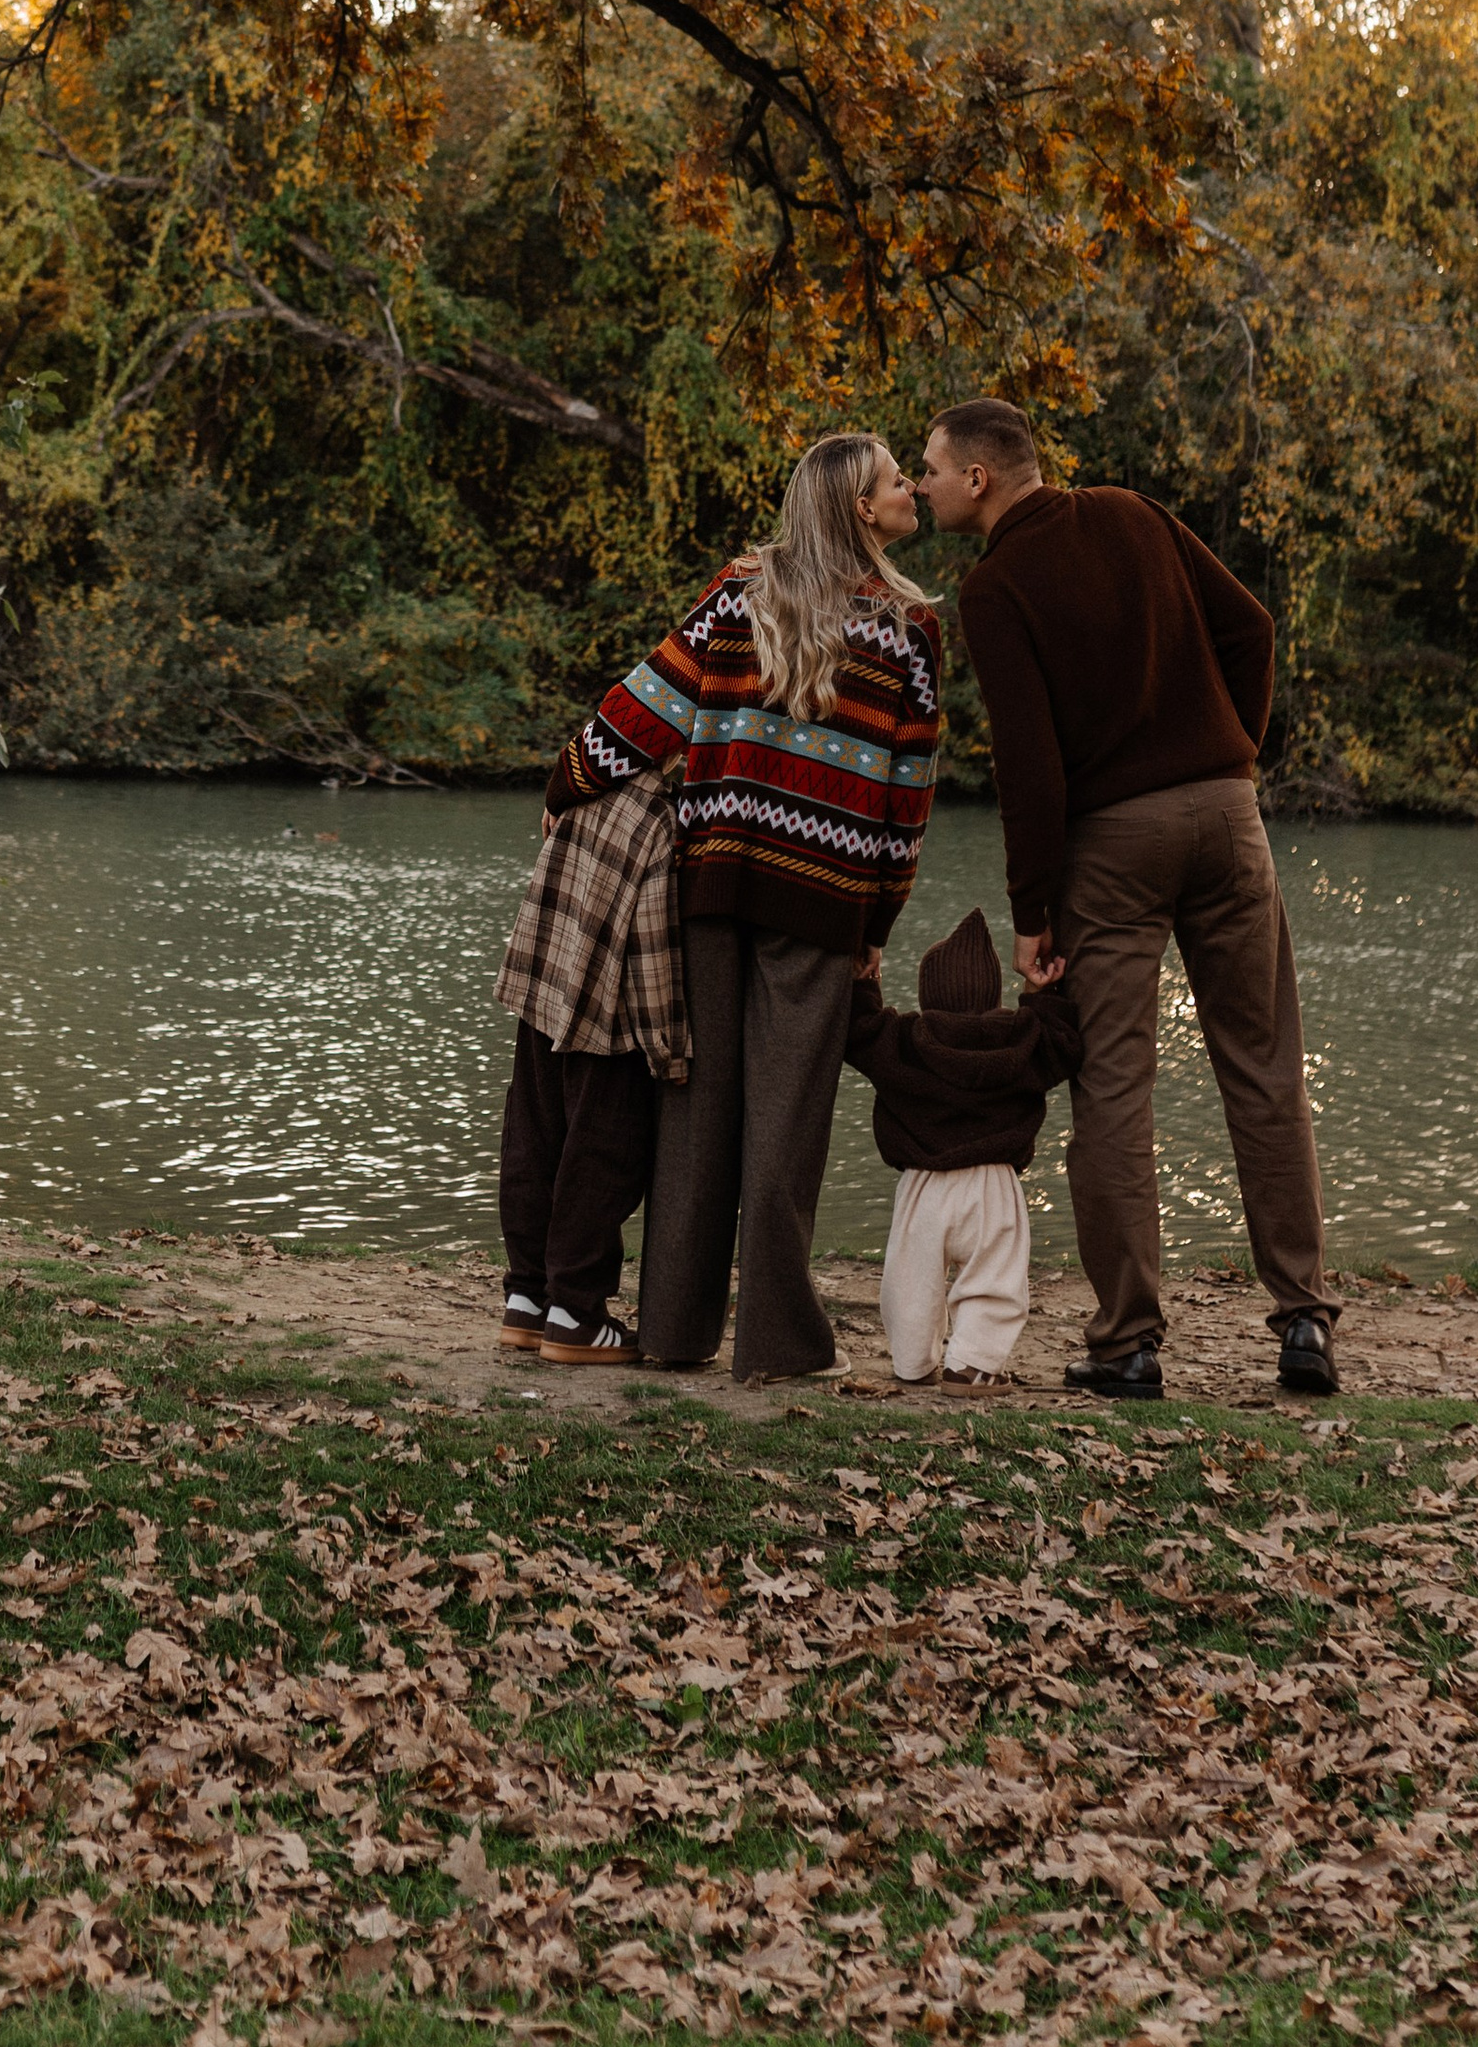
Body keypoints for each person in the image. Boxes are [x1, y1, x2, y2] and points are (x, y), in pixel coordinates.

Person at [916, 396, 1338, 1404]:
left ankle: (1128, 1344)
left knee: (1111, 1087)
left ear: (979, 477)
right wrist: (1232, 753)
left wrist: (1031, 912)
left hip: (1112, 842)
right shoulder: (1135, 513)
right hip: (1228, 817)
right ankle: (1305, 1325)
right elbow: (1252, 628)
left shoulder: (996, 586)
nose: (919, 481)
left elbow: (1029, 768)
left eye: (927, 466)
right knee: (1266, 1069)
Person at [545, 432, 941, 1381]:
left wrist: (568, 779)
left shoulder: (740, 589)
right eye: (896, 481)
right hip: (824, 894)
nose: (909, 492)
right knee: (788, 1122)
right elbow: (908, 790)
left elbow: (650, 703)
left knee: (697, 1114)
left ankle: (674, 1336)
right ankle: (777, 1345)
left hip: (711, 883)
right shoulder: (910, 628)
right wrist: (877, 922)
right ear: (858, 507)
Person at [844, 902, 1083, 1395]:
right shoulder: (1020, 1040)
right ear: (992, 993)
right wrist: (1041, 994)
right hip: (992, 1187)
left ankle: (912, 1360)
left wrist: (866, 982)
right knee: (996, 1281)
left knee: (910, 1282)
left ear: (930, 992)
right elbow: (1064, 1045)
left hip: (923, 1186)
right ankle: (971, 1366)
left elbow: (859, 1035)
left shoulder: (905, 1039)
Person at [494, 771, 689, 1365]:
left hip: (542, 987)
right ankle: (575, 1315)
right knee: (602, 1158)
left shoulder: (580, 791)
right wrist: (669, 1047)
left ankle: (526, 1300)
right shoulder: (660, 819)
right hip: (609, 1011)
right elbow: (653, 942)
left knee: (533, 1140)